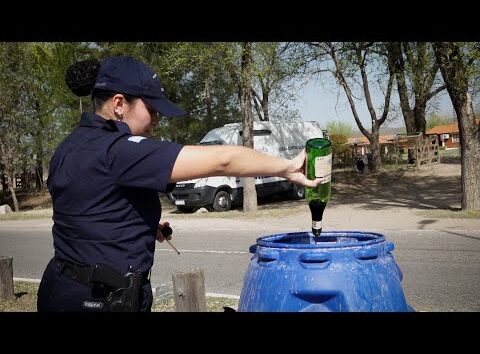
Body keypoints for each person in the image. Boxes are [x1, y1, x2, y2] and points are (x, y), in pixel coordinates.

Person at [37, 56, 321, 312]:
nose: (156, 121)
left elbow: (87, 206)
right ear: (120, 104)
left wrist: (138, 221)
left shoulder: (69, 146)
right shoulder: (119, 150)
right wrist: (287, 167)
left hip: (60, 287)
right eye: (151, 109)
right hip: (100, 299)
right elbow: (224, 160)